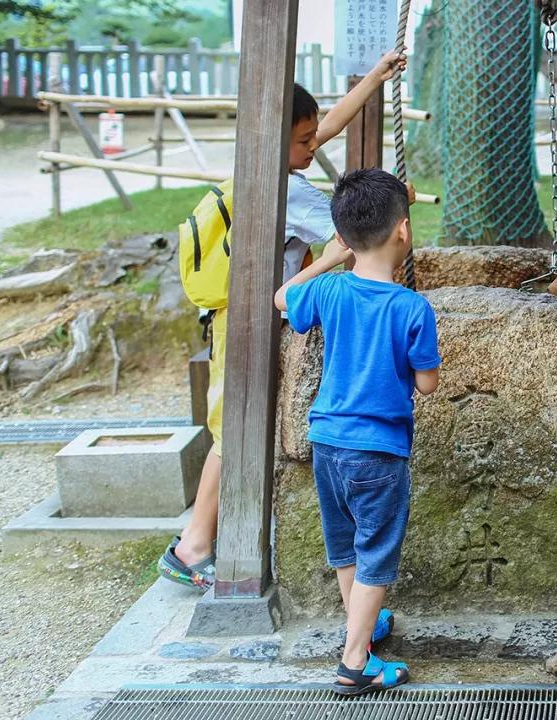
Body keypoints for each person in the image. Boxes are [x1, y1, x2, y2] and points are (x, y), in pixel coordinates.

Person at [157, 51, 407, 590]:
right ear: (278, 139)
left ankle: (206, 537)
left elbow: (323, 128)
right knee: (234, 431)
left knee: (239, 425)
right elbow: (352, 231)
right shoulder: (286, 190)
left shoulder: (264, 163)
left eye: (314, 136)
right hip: (244, 322)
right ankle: (194, 545)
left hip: (244, 315)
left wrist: (375, 77)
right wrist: (391, 207)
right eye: (305, 140)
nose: (315, 146)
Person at [275, 168, 440, 696]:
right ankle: (354, 663)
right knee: (376, 554)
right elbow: (428, 384)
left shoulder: (326, 290)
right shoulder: (412, 307)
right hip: (379, 449)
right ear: (404, 232)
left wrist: (326, 259)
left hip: (327, 441)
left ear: (344, 237)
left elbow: (282, 299)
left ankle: (360, 630)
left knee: (345, 546)